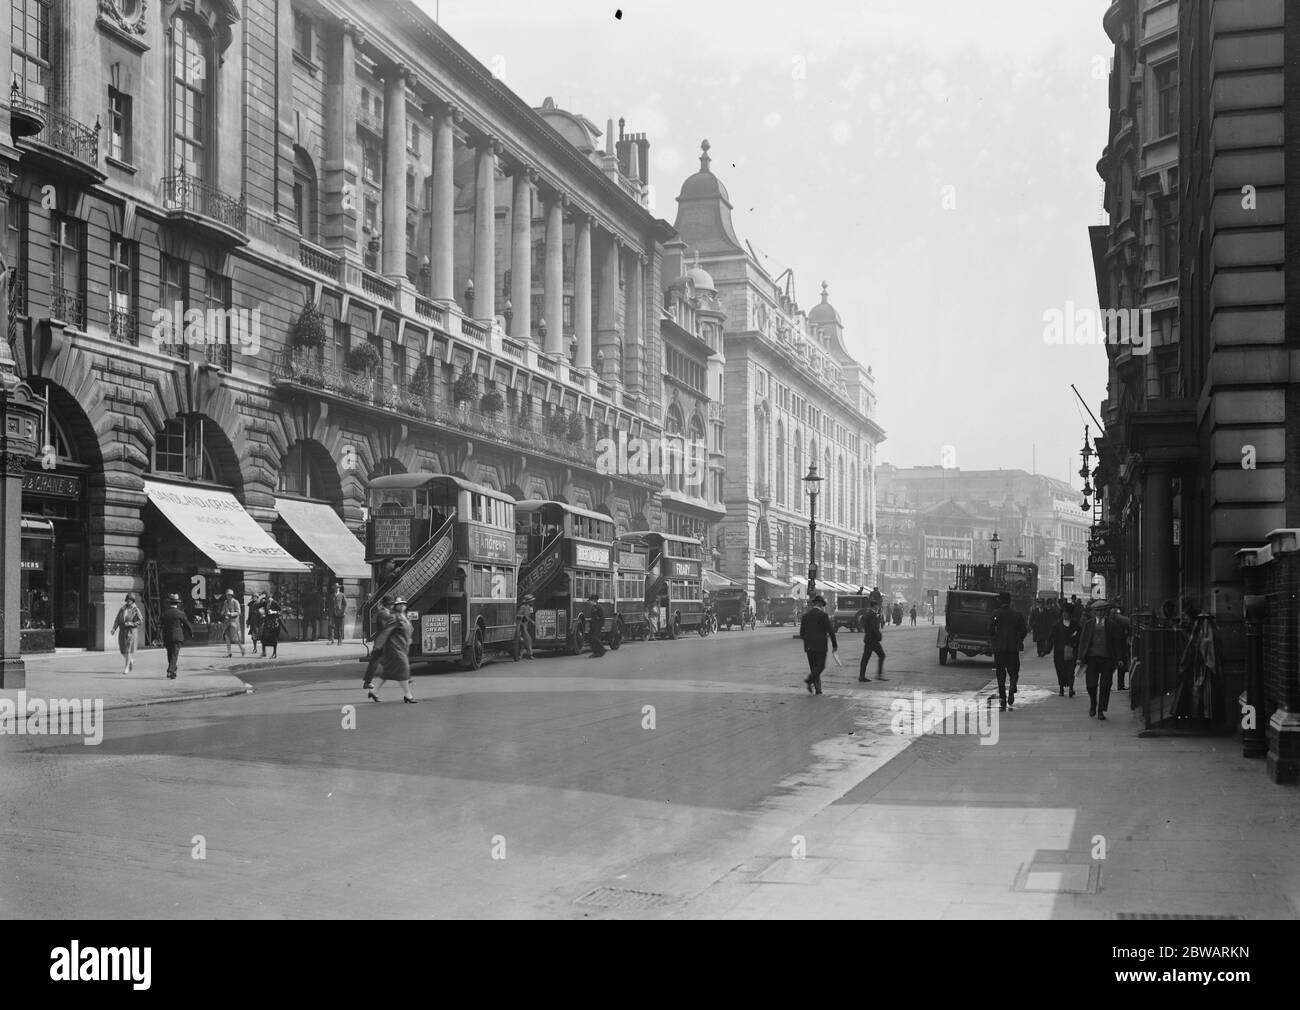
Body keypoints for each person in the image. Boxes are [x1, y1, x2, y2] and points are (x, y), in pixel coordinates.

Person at [1076, 599, 1131, 720]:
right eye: (1097, 611)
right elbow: (1083, 641)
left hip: (1107, 658)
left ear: (1105, 612)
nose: (1100, 613)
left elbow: (1117, 642)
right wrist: (1080, 658)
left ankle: (1101, 710)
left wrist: (1120, 658)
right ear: (1094, 612)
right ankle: (1093, 703)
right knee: (1091, 685)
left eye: (1102, 611)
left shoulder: (1111, 624)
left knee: (1105, 685)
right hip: (1091, 658)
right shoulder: (1089, 624)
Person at [368, 597, 416, 703]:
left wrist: (409, 638)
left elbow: (408, 630)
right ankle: (408, 695)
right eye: (399, 604)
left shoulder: (404, 617)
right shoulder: (394, 617)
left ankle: (374, 691)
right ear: (395, 606)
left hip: (402, 647)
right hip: (394, 648)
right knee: (404, 668)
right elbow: (385, 632)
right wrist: (377, 646)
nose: (402, 605)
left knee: (388, 672)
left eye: (404, 603)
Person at [988, 590, 1027, 711]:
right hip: (1013, 648)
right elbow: (1024, 631)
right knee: (1014, 671)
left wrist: (995, 639)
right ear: (1010, 601)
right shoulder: (1017, 614)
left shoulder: (996, 613)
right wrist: (1018, 639)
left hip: (999, 649)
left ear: (1000, 601)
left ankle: (1003, 698)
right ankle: (1012, 688)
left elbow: (990, 630)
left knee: (1000, 674)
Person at [799, 595, 838, 695]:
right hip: (820, 646)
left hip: (808, 646)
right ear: (820, 604)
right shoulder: (823, 615)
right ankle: (809, 680)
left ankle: (818, 689)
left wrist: (808, 641)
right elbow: (831, 631)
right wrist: (834, 645)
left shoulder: (805, 616)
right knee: (820, 667)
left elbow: (802, 633)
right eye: (823, 605)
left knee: (814, 668)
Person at [1048, 603, 1081, 697]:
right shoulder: (1057, 625)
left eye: (1067, 613)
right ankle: (1061, 688)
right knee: (1060, 670)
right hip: (1059, 652)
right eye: (1063, 612)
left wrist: (1074, 640)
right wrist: (1047, 649)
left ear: (1070, 614)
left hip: (1071, 651)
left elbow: (1080, 637)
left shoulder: (1076, 625)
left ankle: (1071, 688)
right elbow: (1052, 637)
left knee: (1071, 670)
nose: (1065, 614)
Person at [363, 595, 394, 688]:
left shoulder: (384, 612)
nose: (392, 606)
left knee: (388, 660)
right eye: (391, 604)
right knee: (375, 662)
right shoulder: (383, 613)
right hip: (382, 641)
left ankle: (405, 679)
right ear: (388, 605)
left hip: (382, 641)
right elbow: (386, 626)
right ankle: (367, 682)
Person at [161, 593, 194, 679]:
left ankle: (173, 671)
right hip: (177, 636)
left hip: (167, 636)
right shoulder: (180, 613)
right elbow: (187, 624)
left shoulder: (165, 613)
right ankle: (170, 671)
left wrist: (159, 636)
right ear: (177, 603)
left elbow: (160, 625)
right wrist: (191, 633)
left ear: (169, 603)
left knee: (170, 654)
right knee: (174, 655)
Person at [111, 593, 143, 675]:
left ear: (133, 601)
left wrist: (131, 624)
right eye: (128, 600)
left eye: (130, 600)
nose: (128, 601)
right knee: (122, 651)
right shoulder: (122, 609)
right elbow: (117, 620)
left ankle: (126, 668)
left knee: (127, 650)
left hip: (130, 632)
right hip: (122, 631)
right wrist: (114, 628)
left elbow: (140, 621)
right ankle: (130, 660)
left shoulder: (136, 609)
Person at [859, 597, 886, 682]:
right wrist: (879, 636)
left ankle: (862, 676)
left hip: (869, 639)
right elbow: (873, 628)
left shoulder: (868, 614)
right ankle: (878, 675)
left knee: (865, 658)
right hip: (872, 640)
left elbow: (864, 624)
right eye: (877, 606)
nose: (878, 607)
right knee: (881, 655)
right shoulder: (872, 615)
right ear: (875, 606)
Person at [218, 588, 245, 658]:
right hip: (227, 622)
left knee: (235, 639)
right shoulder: (225, 602)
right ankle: (229, 653)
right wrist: (222, 612)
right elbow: (223, 609)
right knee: (227, 637)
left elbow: (239, 612)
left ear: (232, 596)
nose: (228, 596)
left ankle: (242, 648)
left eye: (229, 595)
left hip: (234, 622)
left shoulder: (236, 602)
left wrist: (231, 614)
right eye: (227, 595)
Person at [517, 594, 535, 659]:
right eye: (532, 600)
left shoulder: (529, 607)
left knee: (524, 641)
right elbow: (519, 616)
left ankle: (521, 655)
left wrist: (531, 621)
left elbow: (527, 617)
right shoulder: (523, 607)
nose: (533, 602)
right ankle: (528, 655)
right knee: (527, 640)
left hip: (525, 626)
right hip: (522, 626)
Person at [587, 593, 606, 657]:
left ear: (594, 600)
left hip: (598, 625)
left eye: (590, 601)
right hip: (593, 625)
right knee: (590, 638)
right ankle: (596, 652)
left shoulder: (599, 607)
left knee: (595, 638)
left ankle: (602, 649)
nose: (589, 602)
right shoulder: (593, 607)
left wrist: (602, 626)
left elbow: (602, 617)